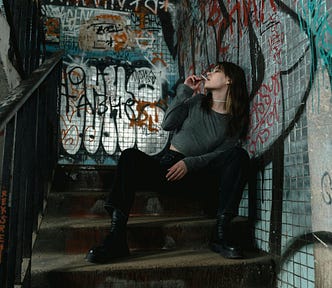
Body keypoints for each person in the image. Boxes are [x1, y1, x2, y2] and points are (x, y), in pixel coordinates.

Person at [86, 61, 250, 263]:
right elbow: (168, 123)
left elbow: (220, 155)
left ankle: (221, 233)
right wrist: (184, 92)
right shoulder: (197, 101)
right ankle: (116, 237)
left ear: (229, 80)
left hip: (197, 175)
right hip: (167, 166)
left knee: (239, 155)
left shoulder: (234, 121)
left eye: (216, 71)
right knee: (129, 156)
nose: (208, 73)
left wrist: (190, 163)